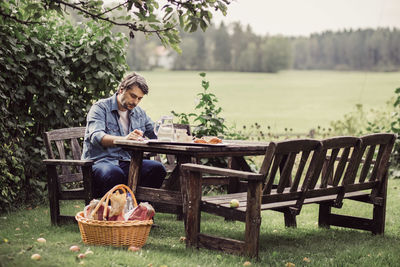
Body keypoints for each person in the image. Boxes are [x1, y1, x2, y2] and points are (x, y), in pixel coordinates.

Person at [82, 72, 166, 198]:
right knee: (115, 173)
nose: (136, 102)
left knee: (157, 169)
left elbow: (155, 133)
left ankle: (136, 208)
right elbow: (96, 137)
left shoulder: (139, 113)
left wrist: (178, 135)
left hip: (127, 163)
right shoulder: (100, 108)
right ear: (121, 90)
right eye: (133, 96)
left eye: (139, 98)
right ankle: (116, 214)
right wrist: (124, 139)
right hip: (99, 163)